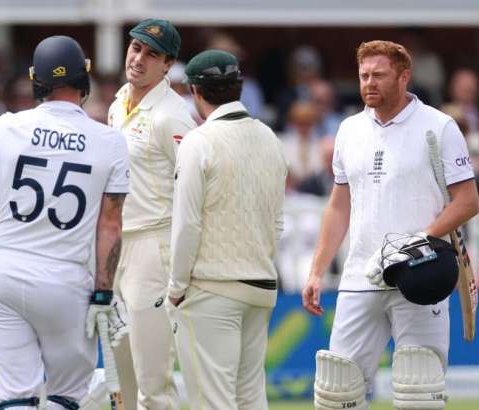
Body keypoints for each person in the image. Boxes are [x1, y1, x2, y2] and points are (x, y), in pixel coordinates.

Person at [0, 35, 129, 410]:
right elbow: (110, 226)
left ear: (37, 80)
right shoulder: (110, 141)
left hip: (4, 271)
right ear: (85, 78)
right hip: (65, 279)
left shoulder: (8, 125)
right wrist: (104, 292)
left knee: (16, 394)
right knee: (68, 395)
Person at [301, 40, 479, 410]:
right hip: (360, 276)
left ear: (404, 76)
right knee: (338, 391)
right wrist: (317, 270)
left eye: (379, 75)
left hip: (420, 273)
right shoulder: (349, 130)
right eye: (364, 75)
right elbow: (338, 206)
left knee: (420, 392)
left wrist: (418, 241)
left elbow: (468, 200)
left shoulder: (439, 126)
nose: (369, 83)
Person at [166, 49, 286, 410]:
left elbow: (186, 223)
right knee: (250, 397)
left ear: (195, 92)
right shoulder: (271, 138)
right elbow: (277, 223)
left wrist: (175, 287)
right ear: (239, 86)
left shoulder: (198, 141)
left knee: (212, 401)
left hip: (212, 287)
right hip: (261, 286)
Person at [107, 18, 195, 409]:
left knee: (152, 378)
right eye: (135, 48)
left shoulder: (172, 115)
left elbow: (195, 187)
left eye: (152, 54)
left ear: (168, 65)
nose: (139, 59)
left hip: (153, 247)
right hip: (117, 246)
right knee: (121, 376)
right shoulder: (117, 103)